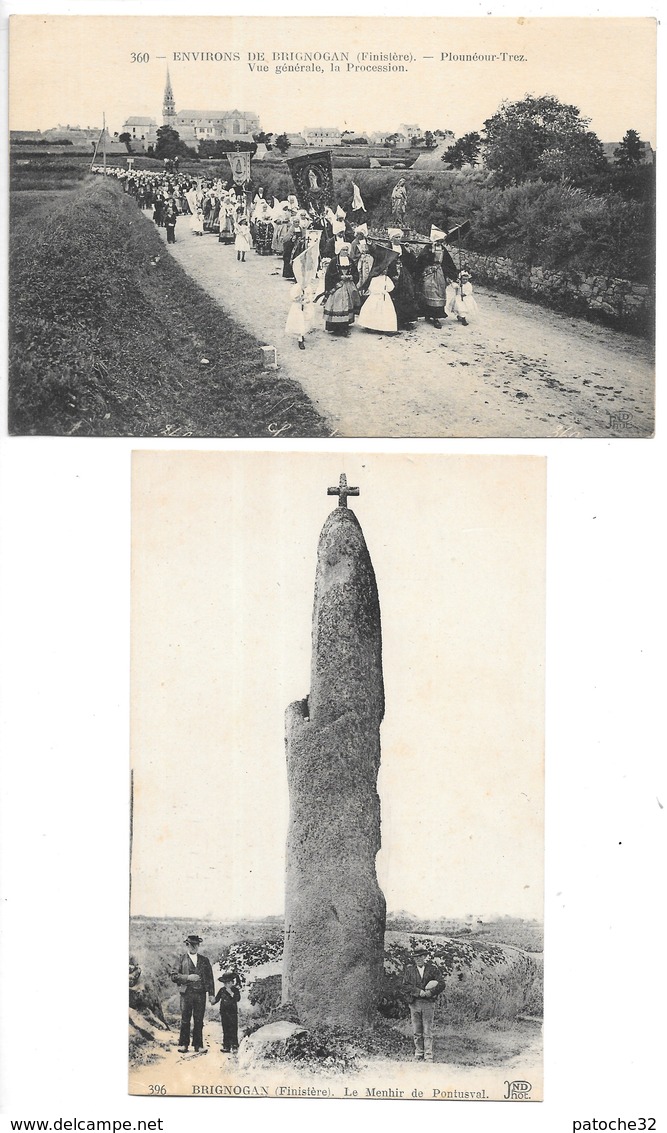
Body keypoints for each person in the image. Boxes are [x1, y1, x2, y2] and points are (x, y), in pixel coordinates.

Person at [171, 934, 215, 1054]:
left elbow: (210, 978)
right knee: (185, 1019)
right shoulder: (181, 959)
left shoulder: (204, 960)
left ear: (199, 945)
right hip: (186, 994)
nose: (194, 947)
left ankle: (198, 1045)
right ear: (187, 945)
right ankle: (184, 1044)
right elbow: (174, 976)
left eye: (196, 945)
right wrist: (188, 977)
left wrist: (211, 994)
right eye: (191, 945)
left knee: (199, 1020)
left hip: (201, 994)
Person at [402, 942, 443, 1062]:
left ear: (425, 957)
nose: (418, 959)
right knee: (417, 1030)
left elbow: (441, 984)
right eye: (416, 957)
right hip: (414, 1003)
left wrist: (430, 992)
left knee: (427, 1030)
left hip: (428, 1003)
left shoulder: (432, 969)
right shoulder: (409, 970)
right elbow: (405, 986)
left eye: (420, 956)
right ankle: (419, 1053)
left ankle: (428, 1054)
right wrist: (418, 992)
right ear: (414, 958)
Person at [213, 971, 241, 1053]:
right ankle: (226, 1046)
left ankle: (234, 1046)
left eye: (228, 983)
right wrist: (212, 1001)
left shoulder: (235, 990)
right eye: (225, 983)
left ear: (232, 982)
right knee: (225, 1028)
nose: (226, 985)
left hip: (232, 1012)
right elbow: (217, 999)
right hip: (224, 1012)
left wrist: (231, 993)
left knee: (233, 1028)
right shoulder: (222, 990)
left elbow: (238, 999)